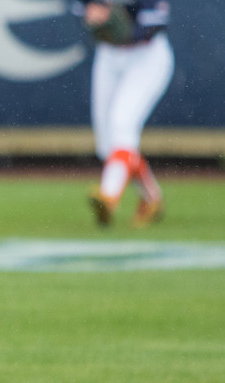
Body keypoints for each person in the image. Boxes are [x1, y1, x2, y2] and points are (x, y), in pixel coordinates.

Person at [71, 0, 174, 227]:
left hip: (146, 56)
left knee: (122, 123)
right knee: (107, 145)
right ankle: (151, 198)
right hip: (109, 57)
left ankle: (108, 196)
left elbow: (153, 26)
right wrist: (93, 10)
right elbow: (80, 9)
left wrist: (116, 18)